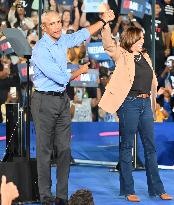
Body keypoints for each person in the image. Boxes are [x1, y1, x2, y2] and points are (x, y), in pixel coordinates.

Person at [30, 9, 115, 205]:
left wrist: (103, 21)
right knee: (44, 151)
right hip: (44, 101)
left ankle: (61, 197)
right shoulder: (40, 50)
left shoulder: (61, 40)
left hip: (61, 100)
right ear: (44, 28)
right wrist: (82, 70)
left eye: (59, 22)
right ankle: (45, 197)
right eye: (52, 24)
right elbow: (61, 78)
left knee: (65, 149)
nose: (57, 26)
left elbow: (81, 34)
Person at [98, 23, 173, 202]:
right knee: (126, 147)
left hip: (146, 104)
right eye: (139, 38)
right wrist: (105, 25)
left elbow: (152, 81)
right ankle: (128, 190)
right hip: (129, 104)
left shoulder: (146, 56)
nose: (142, 41)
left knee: (150, 147)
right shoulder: (122, 55)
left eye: (142, 38)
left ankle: (157, 189)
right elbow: (108, 44)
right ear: (131, 39)